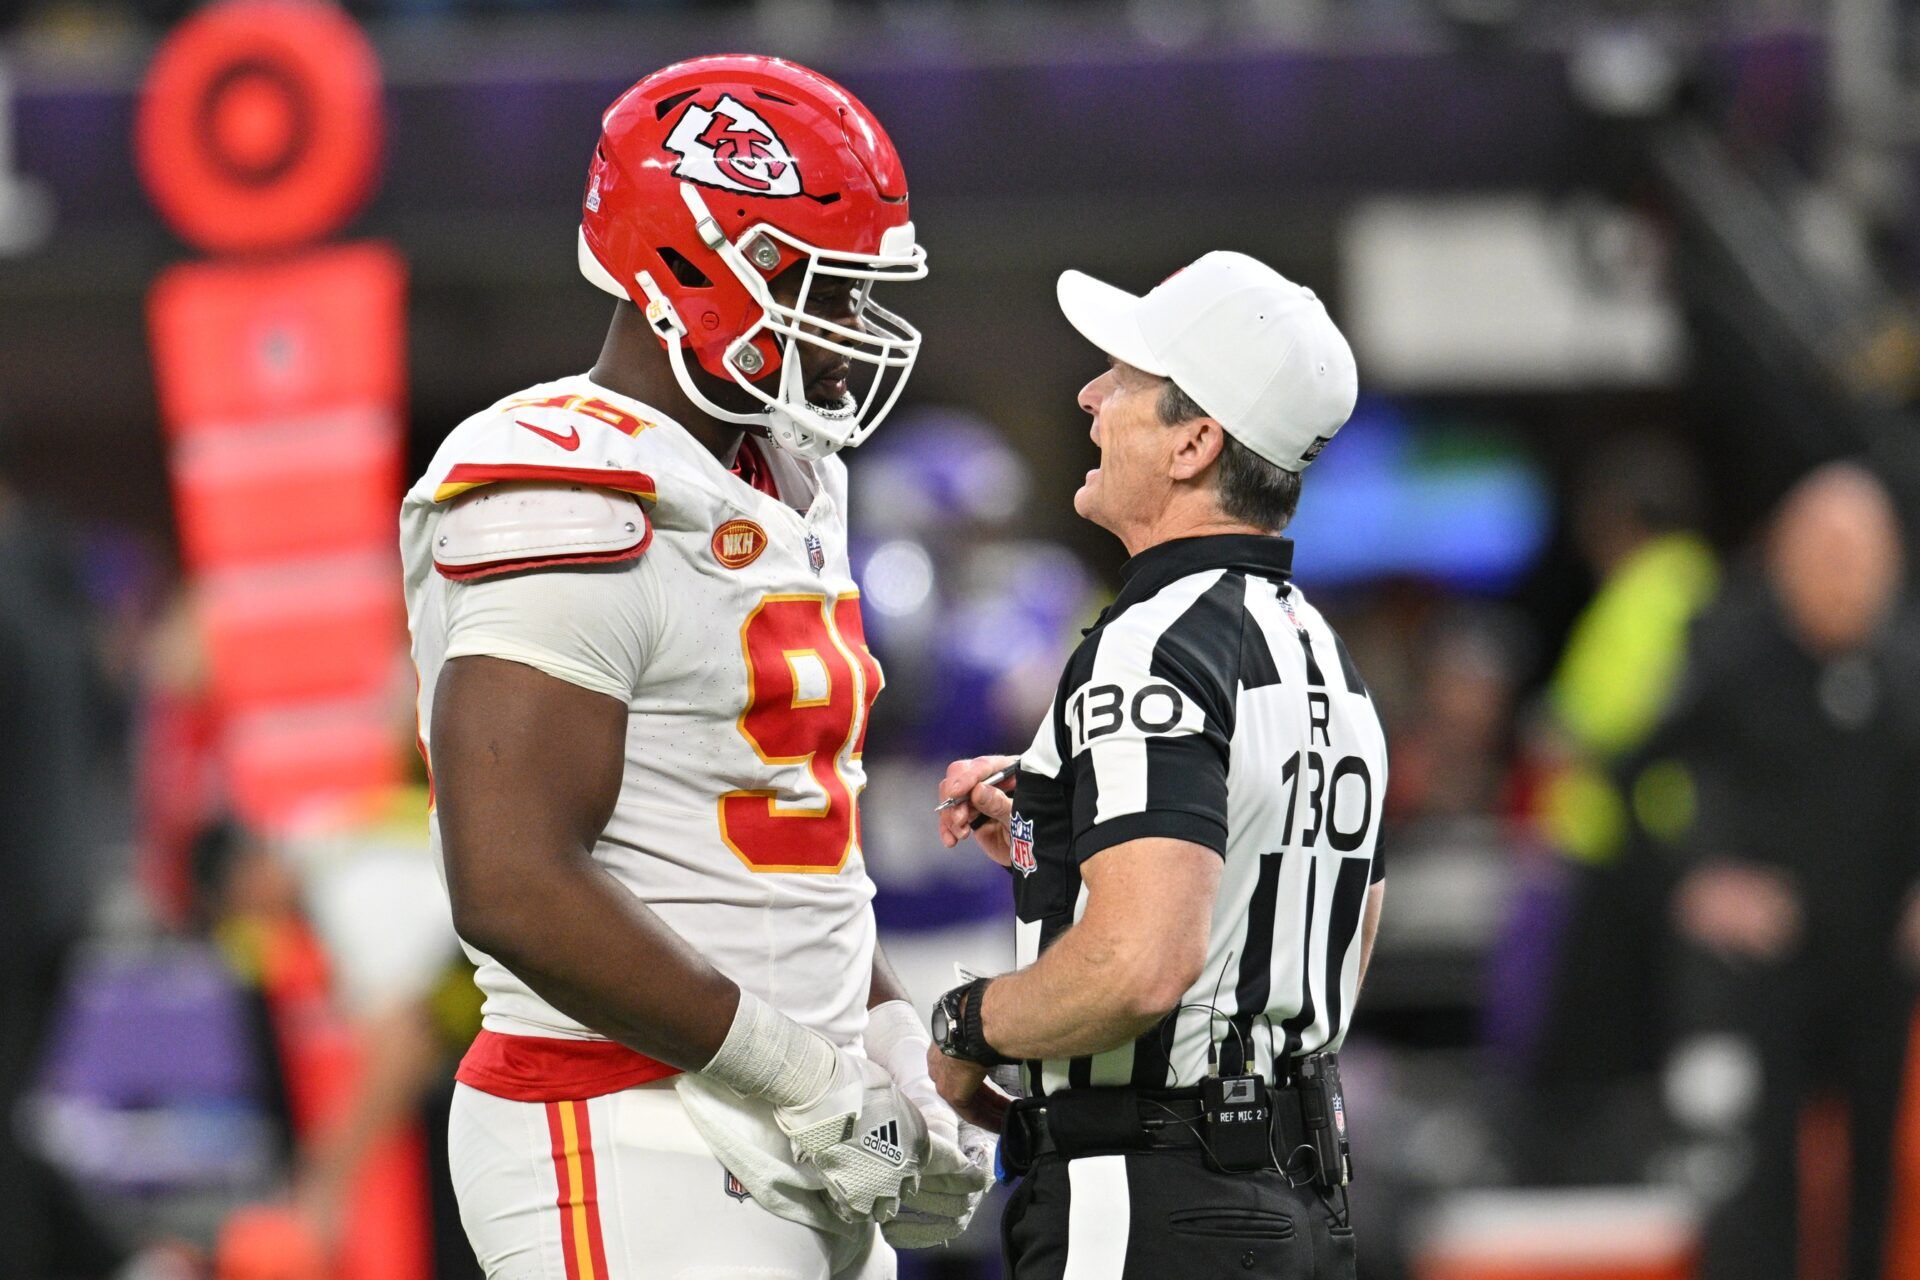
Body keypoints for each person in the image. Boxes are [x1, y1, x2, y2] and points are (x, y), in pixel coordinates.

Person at [400, 56, 989, 1280]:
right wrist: (803, 1071)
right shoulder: (556, 481)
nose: (851, 333)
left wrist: (879, 1038)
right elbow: (509, 880)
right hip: (624, 1117)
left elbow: (790, 846)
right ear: (698, 266)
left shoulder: (784, 471)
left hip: (788, 1119)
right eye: (824, 287)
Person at [928, 251, 1388, 1279]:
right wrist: (1066, 820)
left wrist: (967, 1024)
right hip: (1301, 1189)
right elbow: (1338, 929)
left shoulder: (1152, 640)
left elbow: (1144, 962)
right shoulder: (1317, 646)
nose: (1090, 397)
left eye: (1123, 380)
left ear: (1195, 440)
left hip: (1150, 1195)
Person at [1657, 463, 1920, 1280]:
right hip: (1765, 973)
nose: (1844, 575)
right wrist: (1696, 880)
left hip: (1882, 968)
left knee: (1881, 1168)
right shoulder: (1730, 660)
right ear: (1783, 561)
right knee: (1757, 1175)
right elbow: (1639, 779)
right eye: (1825, 553)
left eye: (1861, 554)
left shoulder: (1909, 672)